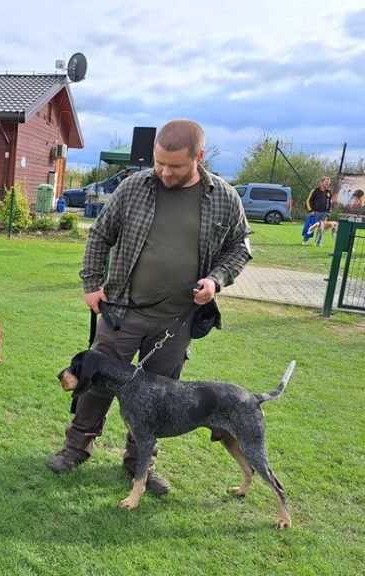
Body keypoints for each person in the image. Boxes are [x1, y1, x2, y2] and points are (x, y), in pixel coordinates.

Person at [47, 119, 252, 496]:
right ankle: (75, 449)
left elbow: (240, 248)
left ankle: (140, 462)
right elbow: (100, 234)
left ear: (199, 157)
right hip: (121, 313)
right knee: (94, 385)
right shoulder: (134, 187)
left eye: (174, 165)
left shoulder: (224, 196)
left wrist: (216, 280)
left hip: (176, 323)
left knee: (161, 398)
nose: (163, 171)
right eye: (159, 162)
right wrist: (92, 283)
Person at [305, 176, 333, 247]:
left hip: (324, 214)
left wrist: (328, 212)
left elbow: (330, 203)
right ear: (321, 182)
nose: (327, 184)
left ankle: (318, 242)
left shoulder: (329, 192)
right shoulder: (315, 191)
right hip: (315, 212)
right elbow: (308, 201)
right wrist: (310, 211)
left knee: (321, 229)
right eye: (326, 182)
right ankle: (306, 240)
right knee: (311, 227)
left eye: (328, 183)